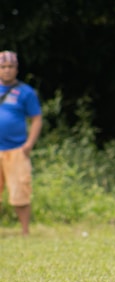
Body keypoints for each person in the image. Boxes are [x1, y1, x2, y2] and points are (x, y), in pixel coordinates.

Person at [0, 51, 43, 236]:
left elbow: (36, 119)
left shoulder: (26, 92)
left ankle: (25, 232)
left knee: (20, 192)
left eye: (10, 67)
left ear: (16, 69)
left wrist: (29, 144)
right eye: (3, 67)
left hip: (17, 149)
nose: (7, 70)